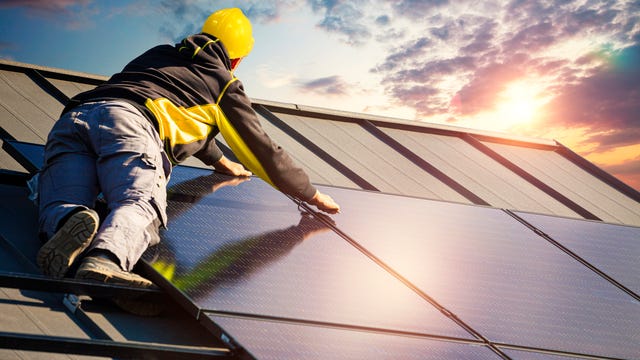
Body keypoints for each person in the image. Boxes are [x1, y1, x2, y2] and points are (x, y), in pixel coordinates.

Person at [36, 7, 340, 294]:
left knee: (63, 197)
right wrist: (310, 193)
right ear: (236, 60)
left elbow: (182, 110)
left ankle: (70, 221)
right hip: (132, 124)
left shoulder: (159, 54)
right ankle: (108, 260)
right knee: (140, 203)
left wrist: (219, 160)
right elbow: (263, 151)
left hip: (75, 118)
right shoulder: (224, 83)